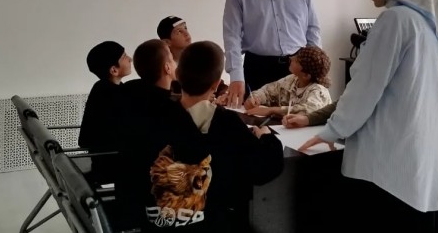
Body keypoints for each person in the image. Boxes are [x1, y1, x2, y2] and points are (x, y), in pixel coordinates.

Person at [299, 0, 438, 232]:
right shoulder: (432, 26)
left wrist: (331, 131)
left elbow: (364, 88)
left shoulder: (395, 20)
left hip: (390, 161)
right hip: (424, 153)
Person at [116, 41, 284, 233]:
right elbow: (264, 169)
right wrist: (267, 138)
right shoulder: (227, 123)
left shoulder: (148, 118)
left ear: (177, 75)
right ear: (216, 84)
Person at [223, 0, 321, 107]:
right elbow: (232, 37)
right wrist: (236, 76)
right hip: (258, 68)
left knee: (297, 117)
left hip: (298, 66)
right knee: (256, 120)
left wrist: (316, 63)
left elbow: (312, 25)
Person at [78, 41, 132, 184]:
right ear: (114, 70)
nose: (130, 59)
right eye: (124, 56)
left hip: (103, 159)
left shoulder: (101, 87)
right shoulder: (112, 95)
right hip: (112, 164)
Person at [242, 46, 332, 118]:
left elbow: (307, 110)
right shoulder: (292, 79)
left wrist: (271, 110)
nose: (291, 58)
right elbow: (268, 90)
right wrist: (256, 98)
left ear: (306, 75)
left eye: (297, 60)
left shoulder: (319, 91)